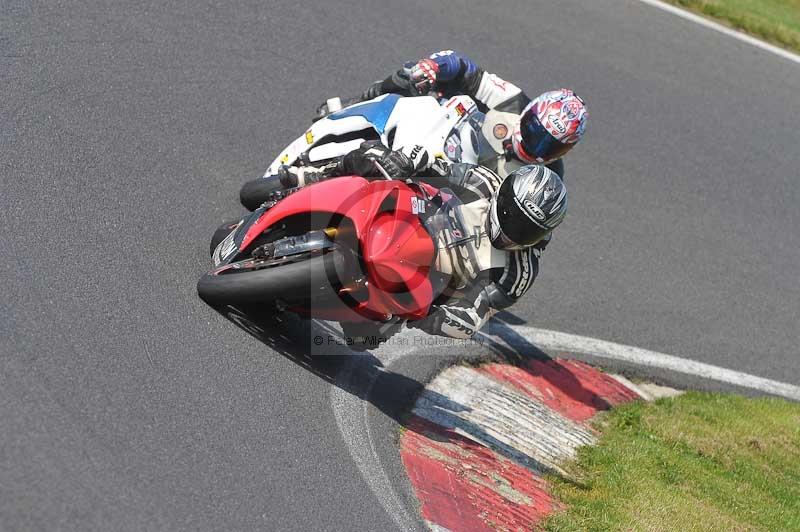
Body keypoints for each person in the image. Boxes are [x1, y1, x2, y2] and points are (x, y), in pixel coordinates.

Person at [277, 141, 567, 342]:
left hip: (425, 283)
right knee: (371, 157)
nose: (513, 232)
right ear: (504, 196)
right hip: (412, 218)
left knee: (365, 338)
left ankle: (312, 299)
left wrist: (446, 320)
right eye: (513, 216)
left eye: (528, 230)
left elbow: (478, 311)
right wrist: (406, 161)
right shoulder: (483, 182)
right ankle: (314, 176)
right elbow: (437, 167)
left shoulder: (519, 272)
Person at [316, 50, 588, 179]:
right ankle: (355, 104)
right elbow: (465, 70)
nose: (535, 146)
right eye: (533, 129)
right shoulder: (513, 101)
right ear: (530, 111)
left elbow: (538, 228)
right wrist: (434, 66)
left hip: (459, 194)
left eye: (550, 145)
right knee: (415, 74)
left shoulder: (549, 175)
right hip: (442, 139)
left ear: (564, 151)